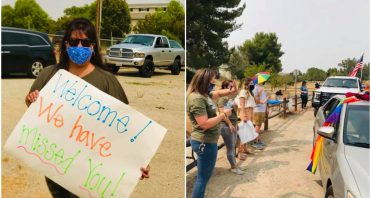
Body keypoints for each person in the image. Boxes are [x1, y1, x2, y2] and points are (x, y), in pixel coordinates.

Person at [25, 18, 150, 198]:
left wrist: (139, 161)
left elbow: (125, 127)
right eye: (75, 42)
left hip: (93, 168)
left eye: (85, 42)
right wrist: (31, 99)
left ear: (93, 47)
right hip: (56, 161)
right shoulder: (49, 74)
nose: (80, 46)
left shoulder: (107, 80)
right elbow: (32, 108)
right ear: (66, 45)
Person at [186, 69, 236, 198]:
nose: (213, 83)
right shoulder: (196, 98)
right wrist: (224, 115)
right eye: (211, 81)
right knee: (203, 178)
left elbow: (219, 93)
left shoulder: (205, 94)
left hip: (208, 141)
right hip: (205, 142)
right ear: (203, 81)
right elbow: (204, 124)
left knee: (204, 177)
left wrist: (230, 89)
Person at [216, 80, 244, 174]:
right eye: (230, 86)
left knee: (233, 145)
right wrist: (230, 124)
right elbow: (222, 113)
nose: (233, 88)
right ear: (225, 88)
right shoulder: (222, 98)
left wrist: (235, 124)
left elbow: (236, 90)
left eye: (232, 86)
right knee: (230, 147)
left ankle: (235, 165)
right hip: (226, 125)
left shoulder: (230, 97)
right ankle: (233, 167)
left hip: (233, 124)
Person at [237, 78, 260, 156]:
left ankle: (244, 148)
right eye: (250, 83)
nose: (252, 85)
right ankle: (240, 150)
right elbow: (242, 104)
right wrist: (244, 114)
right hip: (245, 111)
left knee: (247, 131)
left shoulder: (249, 92)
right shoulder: (243, 92)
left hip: (250, 111)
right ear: (246, 83)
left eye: (252, 83)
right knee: (243, 131)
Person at [252, 81, 268, 148]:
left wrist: (266, 108)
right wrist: (259, 92)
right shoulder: (255, 88)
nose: (263, 81)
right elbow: (255, 99)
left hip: (262, 109)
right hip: (257, 109)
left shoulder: (262, 88)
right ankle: (255, 141)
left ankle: (258, 139)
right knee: (257, 126)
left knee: (259, 125)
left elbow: (264, 99)